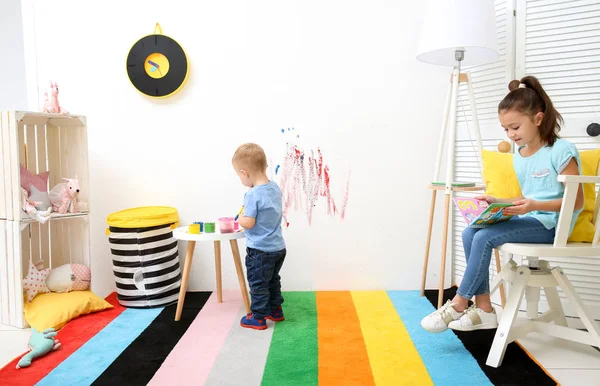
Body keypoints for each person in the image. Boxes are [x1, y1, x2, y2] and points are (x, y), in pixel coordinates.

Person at [421, 76, 584, 333]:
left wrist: (531, 206)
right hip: (530, 219)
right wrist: (497, 201)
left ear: (538, 119)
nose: (510, 134)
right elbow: (526, 199)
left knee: (484, 237)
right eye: (505, 129)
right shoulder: (520, 155)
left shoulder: (561, 150)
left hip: (553, 225)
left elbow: (576, 201)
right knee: (470, 231)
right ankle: (485, 308)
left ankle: (459, 302)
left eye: (515, 127)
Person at [232, 143, 287, 330]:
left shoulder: (252, 194)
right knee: (273, 280)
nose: (241, 179)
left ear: (244, 172)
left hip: (260, 250)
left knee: (258, 284)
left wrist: (240, 218)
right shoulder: (274, 188)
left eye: (239, 175)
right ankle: (276, 310)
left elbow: (250, 222)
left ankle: (258, 317)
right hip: (278, 248)